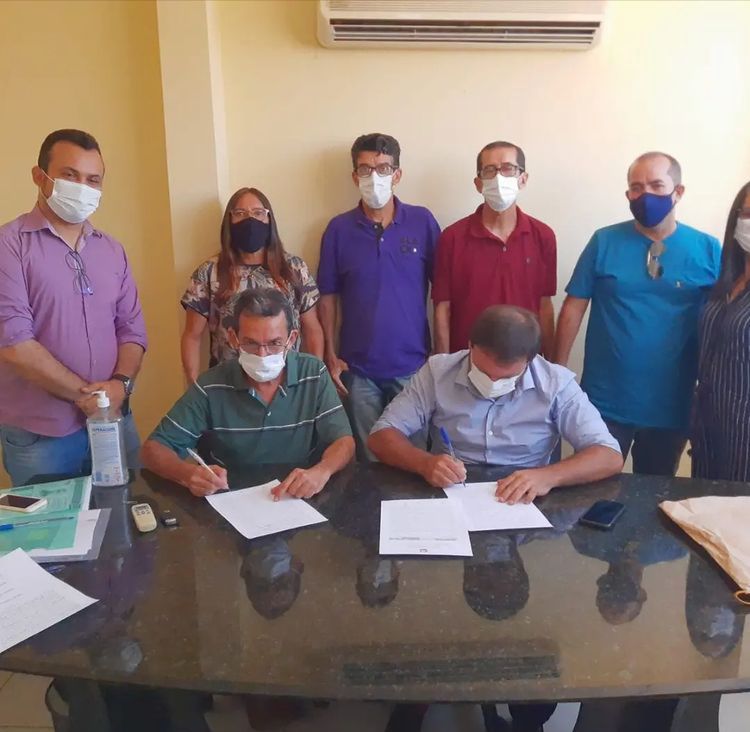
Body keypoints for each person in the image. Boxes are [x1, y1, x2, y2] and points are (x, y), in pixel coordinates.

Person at [555, 152, 721, 476]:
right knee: (591, 489)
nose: (645, 195)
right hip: (604, 401)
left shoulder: (708, 249)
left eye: (657, 185)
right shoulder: (604, 241)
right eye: (636, 187)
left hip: (672, 402)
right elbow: (574, 306)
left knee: (654, 492)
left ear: (678, 192)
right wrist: (558, 373)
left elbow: (722, 320)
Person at [0, 129, 146, 487]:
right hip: (42, 436)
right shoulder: (9, 246)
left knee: (128, 512)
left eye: (93, 180)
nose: (83, 187)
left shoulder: (111, 250)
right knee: (52, 524)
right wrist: (90, 397)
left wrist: (121, 384)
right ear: (40, 177)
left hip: (114, 421)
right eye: (70, 175)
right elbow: (14, 343)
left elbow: (132, 330)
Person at [369, 306, 623, 505]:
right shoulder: (438, 372)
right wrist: (424, 463)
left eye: (506, 377)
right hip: (452, 491)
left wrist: (548, 476)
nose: (492, 383)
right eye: (483, 372)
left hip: (524, 496)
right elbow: (382, 435)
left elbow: (609, 456)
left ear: (530, 360)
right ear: (470, 345)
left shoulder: (556, 383)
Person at [142, 288, 354, 498]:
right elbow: (153, 449)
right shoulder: (211, 385)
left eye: (274, 343)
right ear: (234, 338)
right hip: (232, 499)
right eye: (251, 343)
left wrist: (322, 471)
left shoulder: (313, 373)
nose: (262, 354)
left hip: (296, 497)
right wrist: (188, 474)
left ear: (291, 339)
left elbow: (344, 441)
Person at [317, 133, 440, 461]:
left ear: (397, 175)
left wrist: (440, 356)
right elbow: (327, 298)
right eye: (366, 169)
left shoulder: (422, 222)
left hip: (413, 367)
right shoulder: (338, 230)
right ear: (354, 176)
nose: (375, 177)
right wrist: (330, 354)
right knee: (368, 463)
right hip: (358, 370)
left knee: (413, 461)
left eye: (384, 168)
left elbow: (442, 294)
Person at [181, 187, 323, 383]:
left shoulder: (294, 269)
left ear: (269, 219)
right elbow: (192, 335)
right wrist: (194, 386)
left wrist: (315, 382)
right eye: (240, 213)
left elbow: (312, 329)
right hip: (228, 384)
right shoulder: (208, 272)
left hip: (287, 383)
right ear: (229, 221)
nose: (250, 220)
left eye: (258, 213)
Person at [433, 140, 557, 358]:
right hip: (468, 362)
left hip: (525, 362)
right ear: (478, 183)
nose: (499, 178)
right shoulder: (452, 237)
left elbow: (545, 305)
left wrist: (551, 365)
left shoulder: (543, 236)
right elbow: (443, 308)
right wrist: (441, 367)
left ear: (523, 179)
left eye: (508, 168)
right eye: (490, 170)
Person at [691, 181, 750, 481]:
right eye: (748, 213)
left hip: (745, 437)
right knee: (702, 503)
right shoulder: (726, 282)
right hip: (709, 429)